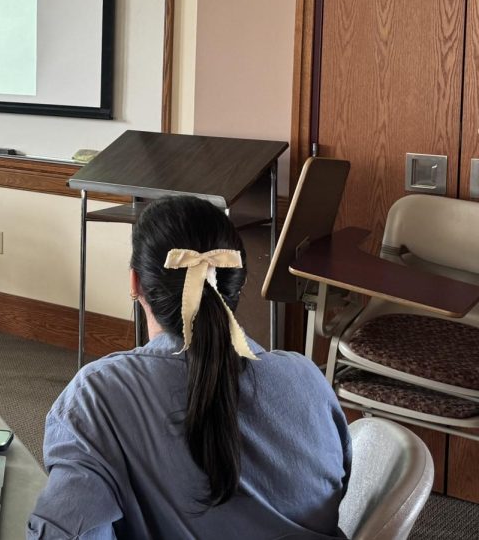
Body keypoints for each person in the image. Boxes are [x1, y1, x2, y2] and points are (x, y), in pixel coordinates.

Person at [27, 196, 350, 539]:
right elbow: (336, 488)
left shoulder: (97, 396)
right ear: (236, 284)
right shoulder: (308, 378)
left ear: (135, 283)